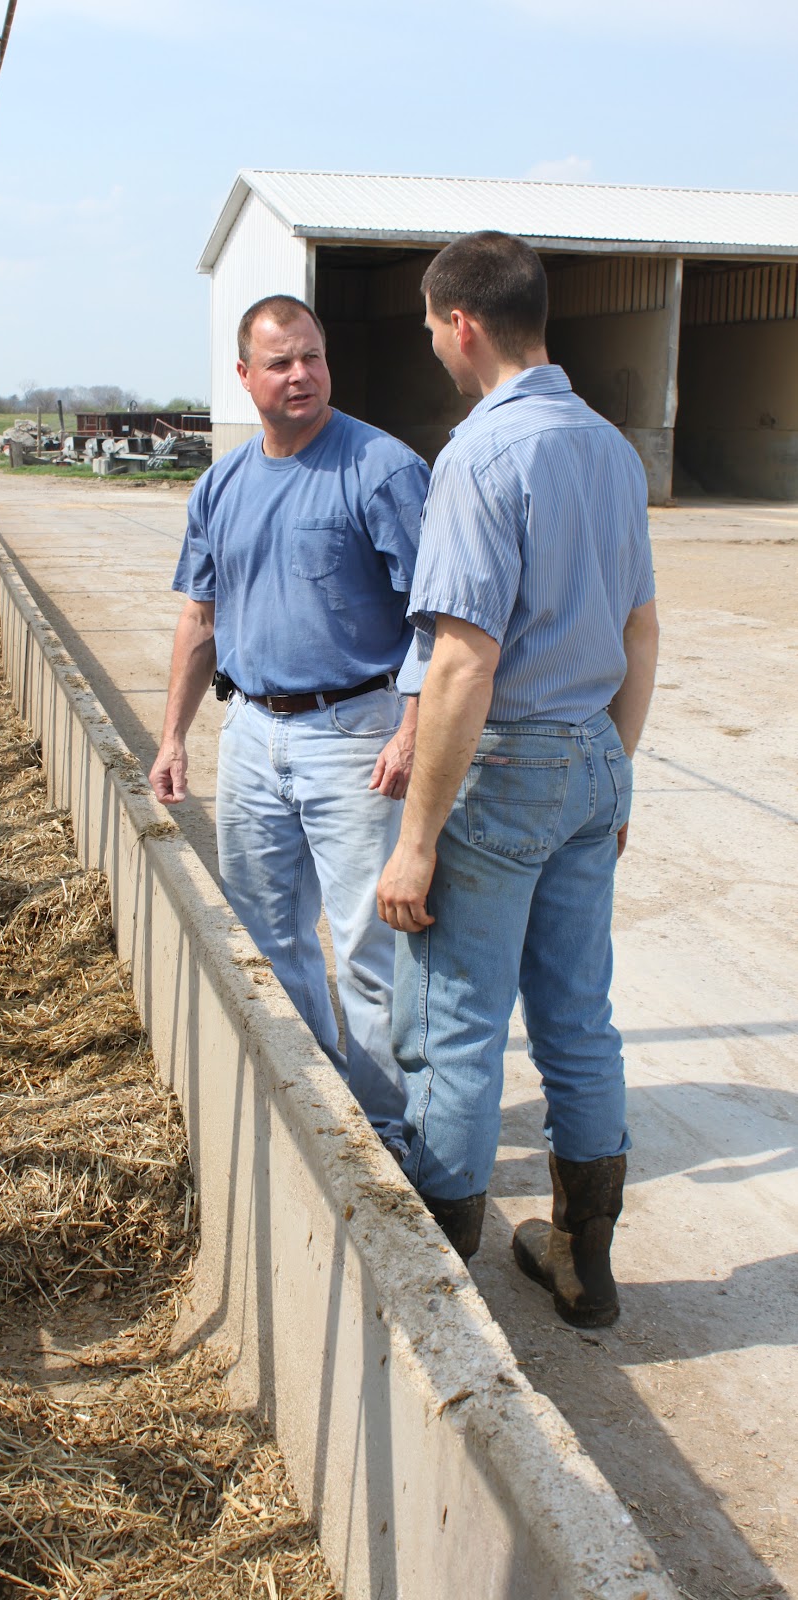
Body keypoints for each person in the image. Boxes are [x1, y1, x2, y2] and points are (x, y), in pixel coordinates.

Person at [376, 232, 659, 1328]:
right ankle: (583, 1265)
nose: (432, 345)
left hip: (505, 764)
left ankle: (438, 1302)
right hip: (590, 752)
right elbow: (639, 629)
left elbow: (462, 661)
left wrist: (415, 842)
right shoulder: (610, 450)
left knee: (454, 1019)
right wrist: (612, 773)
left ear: (461, 325)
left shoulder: (480, 455)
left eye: (429, 327)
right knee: (577, 1017)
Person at [149, 294, 430, 1157]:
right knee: (267, 934)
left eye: (312, 356)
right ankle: (316, 1109)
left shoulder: (380, 469)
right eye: (280, 362)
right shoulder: (221, 484)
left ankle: (389, 1135)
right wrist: (173, 736)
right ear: (244, 376)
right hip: (250, 732)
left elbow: (437, 619)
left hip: (355, 733)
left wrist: (411, 730)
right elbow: (200, 618)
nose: (300, 374)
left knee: (368, 946)